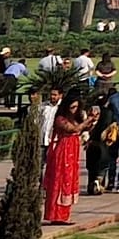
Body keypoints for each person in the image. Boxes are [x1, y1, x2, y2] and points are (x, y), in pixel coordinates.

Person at [44, 94, 87, 224]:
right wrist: (87, 120)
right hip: (63, 153)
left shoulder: (74, 118)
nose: (74, 110)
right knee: (60, 181)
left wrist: (91, 121)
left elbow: (81, 129)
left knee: (69, 182)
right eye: (72, 107)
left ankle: (64, 215)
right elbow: (73, 129)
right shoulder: (61, 119)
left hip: (72, 153)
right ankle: (55, 215)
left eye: (76, 108)